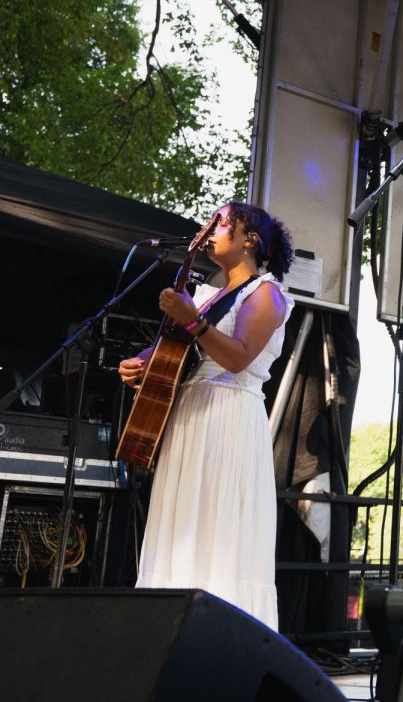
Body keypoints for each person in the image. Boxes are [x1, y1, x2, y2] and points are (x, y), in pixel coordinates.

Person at [118, 202, 295, 629]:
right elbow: (179, 355)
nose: (209, 228)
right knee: (180, 530)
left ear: (250, 239)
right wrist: (143, 363)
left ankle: (221, 642)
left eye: (221, 222)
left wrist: (192, 321)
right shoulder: (209, 296)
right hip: (190, 417)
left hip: (229, 417)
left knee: (218, 534)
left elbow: (237, 358)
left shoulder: (266, 294)